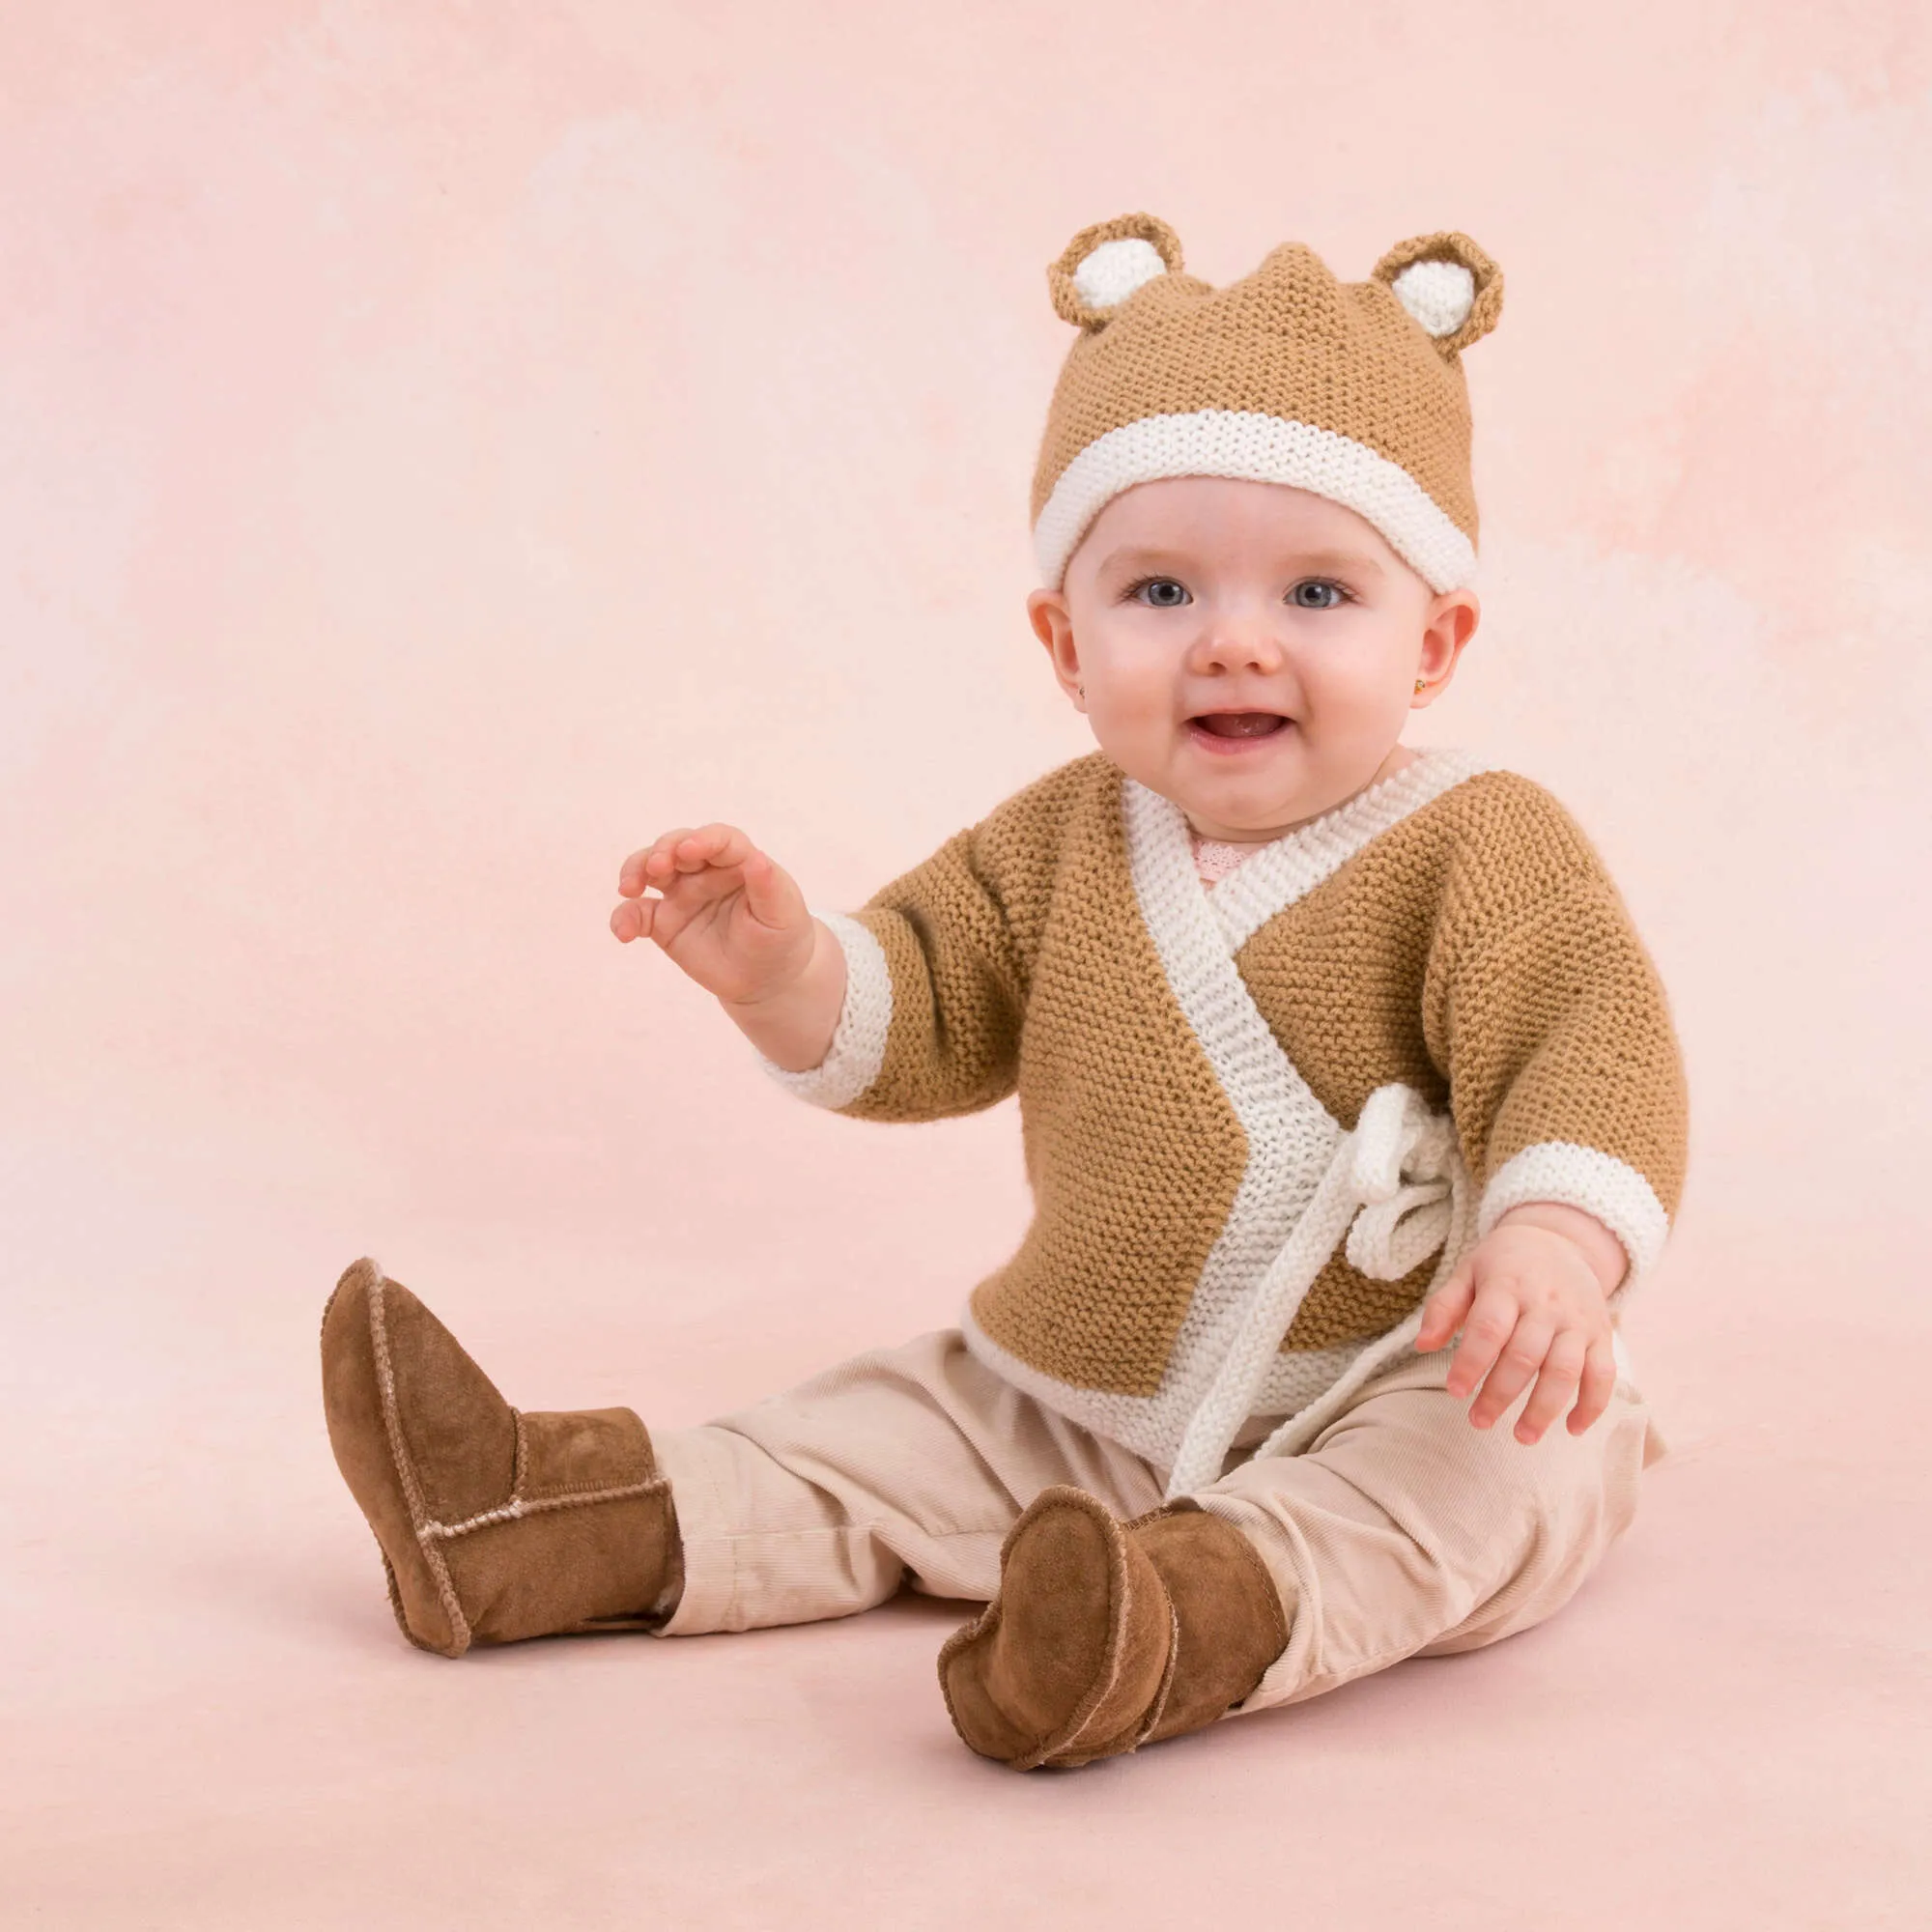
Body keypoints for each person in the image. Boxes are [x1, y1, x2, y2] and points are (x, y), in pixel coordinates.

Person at [319, 213, 1689, 1772]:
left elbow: (1589, 1035)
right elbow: (924, 1003)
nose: (1236, 643)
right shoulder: (1059, 841)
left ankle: (1173, 1623)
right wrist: (786, 971)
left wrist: (1552, 1248)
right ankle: (531, 1519)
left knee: (1500, 1484)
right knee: (869, 1437)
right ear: (1063, 639)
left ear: (1433, 643)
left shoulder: (1483, 844)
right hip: (1076, 1385)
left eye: (1320, 595)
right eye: (1161, 593)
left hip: (1407, 1372)